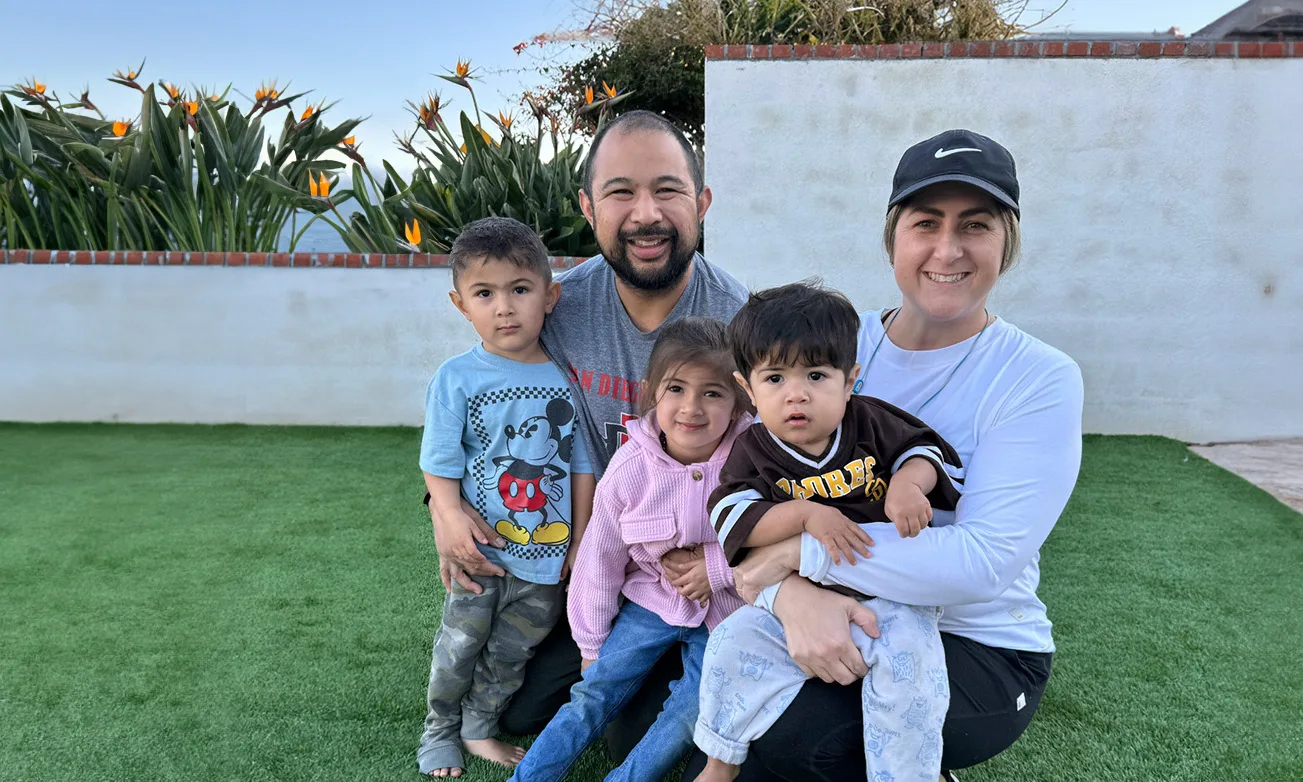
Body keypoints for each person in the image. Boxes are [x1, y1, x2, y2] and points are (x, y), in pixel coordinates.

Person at [682, 129, 1084, 782]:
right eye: (926, 223)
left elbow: (979, 561)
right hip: (825, 595)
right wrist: (791, 597)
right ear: (893, 236)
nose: (947, 249)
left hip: (975, 639)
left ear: (1005, 241)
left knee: (801, 737)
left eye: (975, 225)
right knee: (752, 724)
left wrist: (793, 558)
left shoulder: (1037, 375)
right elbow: (758, 482)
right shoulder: (831, 347)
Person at [425, 110, 750, 760]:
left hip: (694, 577)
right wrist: (444, 507)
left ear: (702, 202)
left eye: (667, 190)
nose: (645, 214)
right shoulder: (550, 307)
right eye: (620, 192)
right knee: (519, 707)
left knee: (645, 731)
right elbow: (475, 405)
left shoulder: (741, 325)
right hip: (584, 563)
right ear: (587, 206)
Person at [692, 282, 965, 782]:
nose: (796, 393)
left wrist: (907, 484)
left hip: (892, 593)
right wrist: (803, 513)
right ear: (747, 389)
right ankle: (718, 761)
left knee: (913, 674)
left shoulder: (870, 422)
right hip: (801, 601)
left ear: (850, 380)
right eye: (774, 378)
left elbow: (927, 451)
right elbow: (732, 516)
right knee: (731, 642)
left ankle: (907, 776)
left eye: (816, 374)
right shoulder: (754, 450)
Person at [510, 317, 750, 782]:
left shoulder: (753, 456)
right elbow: (599, 560)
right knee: (594, 693)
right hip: (651, 603)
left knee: (689, 713)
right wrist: (591, 642)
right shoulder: (631, 466)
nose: (692, 408)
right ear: (651, 392)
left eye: (713, 393)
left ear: (739, 400)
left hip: (728, 615)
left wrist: (715, 567)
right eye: (676, 389)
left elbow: (777, 536)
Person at [415, 216, 596, 778]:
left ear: (550, 295)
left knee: (510, 654)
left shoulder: (569, 379)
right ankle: (440, 729)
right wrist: (447, 517)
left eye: (520, 290)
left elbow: (583, 465)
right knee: (460, 645)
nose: (504, 307)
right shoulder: (456, 379)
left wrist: (581, 542)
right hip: (482, 556)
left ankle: (478, 727)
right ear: (460, 303)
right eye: (485, 294)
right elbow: (439, 462)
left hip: (546, 557)